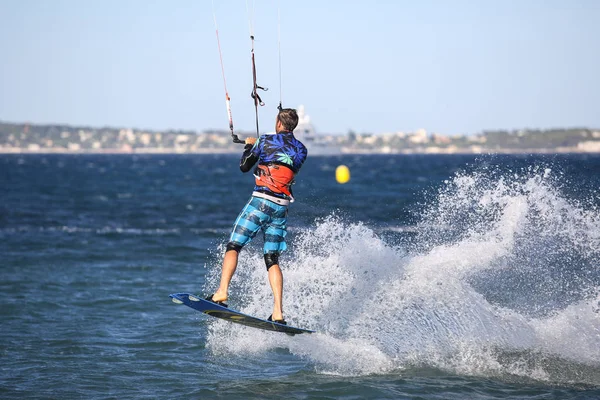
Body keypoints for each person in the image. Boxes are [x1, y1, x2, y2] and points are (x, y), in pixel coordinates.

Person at [206, 108, 308, 324]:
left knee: (234, 245)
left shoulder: (265, 141)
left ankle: (221, 292)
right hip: (281, 207)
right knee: (272, 258)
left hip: (261, 201)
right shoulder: (302, 150)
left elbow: (244, 167)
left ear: (279, 123)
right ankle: (278, 312)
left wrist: (249, 146)